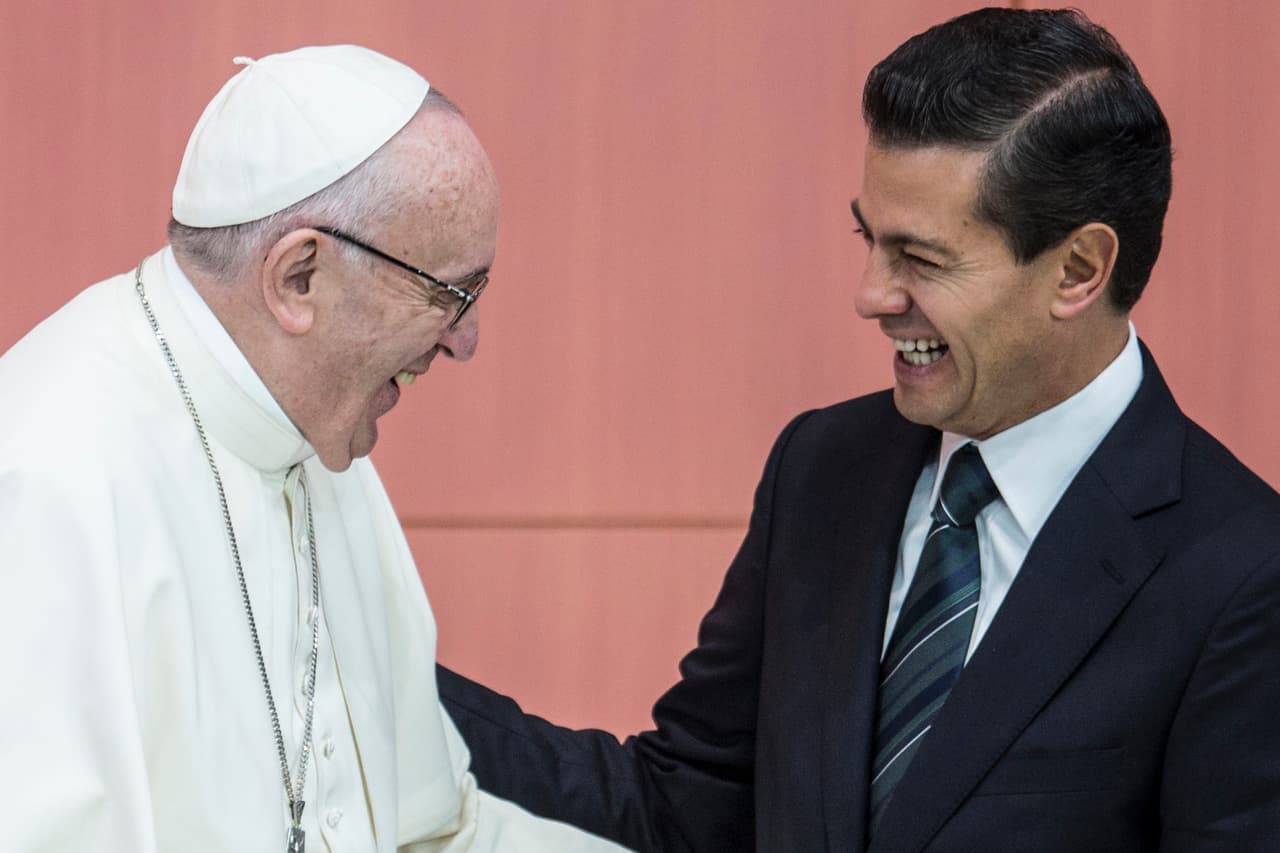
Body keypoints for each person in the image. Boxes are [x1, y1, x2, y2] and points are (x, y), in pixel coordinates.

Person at [438, 8, 1280, 852]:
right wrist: (370, 688)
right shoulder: (823, 468)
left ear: (1078, 269)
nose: (872, 293)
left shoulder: (1244, 577)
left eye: (921, 259)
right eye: (868, 239)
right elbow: (686, 807)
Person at [0, 45, 629, 852]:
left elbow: (436, 831)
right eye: (450, 294)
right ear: (300, 276)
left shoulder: (310, 427)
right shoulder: (47, 485)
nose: (466, 340)